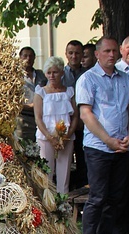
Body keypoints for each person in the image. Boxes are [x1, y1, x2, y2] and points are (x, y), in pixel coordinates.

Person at [76, 36, 129, 234]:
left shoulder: (125, 79)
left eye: (114, 52)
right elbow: (86, 114)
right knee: (98, 197)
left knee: (115, 197)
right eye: (107, 51)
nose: (111, 55)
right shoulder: (88, 79)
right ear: (97, 54)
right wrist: (108, 140)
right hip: (99, 147)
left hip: (122, 147)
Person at [34, 56, 78, 194]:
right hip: (46, 137)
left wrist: (67, 136)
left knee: (64, 173)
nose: (52, 75)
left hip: (66, 137)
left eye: (55, 72)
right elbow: (38, 118)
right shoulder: (40, 92)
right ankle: (48, 207)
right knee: (46, 173)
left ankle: (63, 206)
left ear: (62, 72)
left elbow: (75, 116)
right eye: (49, 72)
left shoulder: (69, 92)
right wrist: (50, 137)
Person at [113, 34, 129, 234]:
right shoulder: (116, 72)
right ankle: (118, 231)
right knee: (120, 188)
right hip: (120, 138)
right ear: (122, 49)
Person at [63, 40, 88, 189]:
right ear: (66, 54)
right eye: (71, 53)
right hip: (64, 124)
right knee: (64, 161)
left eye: (77, 53)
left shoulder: (88, 74)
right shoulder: (60, 74)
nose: (74, 56)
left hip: (84, 124)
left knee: (83, 159)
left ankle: (83, 187)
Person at [15, 47, 47, 142]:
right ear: (20, 58)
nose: (28, 58)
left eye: (31, 56)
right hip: (23, 119)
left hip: (41, 118)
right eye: (25, 56)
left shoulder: (41, 75)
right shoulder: (15, 76)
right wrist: (30, 106)